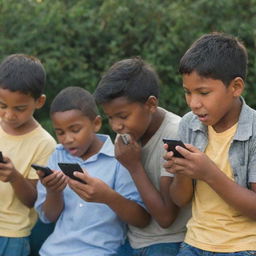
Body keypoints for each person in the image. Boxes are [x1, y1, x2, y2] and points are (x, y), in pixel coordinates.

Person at [163, 32, 256, 255]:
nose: (194, 103)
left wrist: (208, 173)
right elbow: (181, 200)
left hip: (244, 247)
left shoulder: (253, 130)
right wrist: (182, 172)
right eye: (188, 92)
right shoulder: (189, 124)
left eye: (204, 93)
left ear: (235, 87)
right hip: (194, 243)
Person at [34, 86, 150, 256]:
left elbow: (141, 219)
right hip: (53, 251)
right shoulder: (57, 156)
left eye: (75, 130)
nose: (68, 139)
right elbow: (48, 217)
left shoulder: (118, 159)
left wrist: (107, 197)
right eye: (60, 133)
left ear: (96, 123)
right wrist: (53, 190)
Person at [94, 57, 191, 256]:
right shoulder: (127, 135)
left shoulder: (174, 134)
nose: (115, 126)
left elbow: (165, 218)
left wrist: (134, 167)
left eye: (122, 116)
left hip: (168, 242)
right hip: (131, 239)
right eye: (110, 117)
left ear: (151, 104)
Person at [0, 54, 56, 256]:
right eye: (2, 105)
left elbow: (33, 199)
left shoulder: (44, 143)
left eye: (19, 108)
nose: (9, 115)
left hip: (12, 233)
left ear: (39, 101)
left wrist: (14, 176)